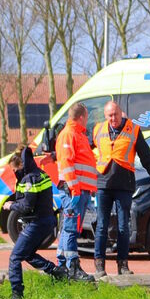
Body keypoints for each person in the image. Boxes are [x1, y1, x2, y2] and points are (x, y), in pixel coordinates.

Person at [92, 98, 150, 278]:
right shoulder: (98, 130)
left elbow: (148, 158)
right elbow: (83, 150)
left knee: (123, 226)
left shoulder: (133, 130)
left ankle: (123, 265)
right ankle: (99, 265)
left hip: (124, 185)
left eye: (116, 115)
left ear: (122, 113)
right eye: (110, 116)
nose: (113, 119)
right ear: (105, 116)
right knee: (101, 225)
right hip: (103, 184)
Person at [2, 142, 68, 299]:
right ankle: (56, 271)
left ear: (21, 165)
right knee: (28, 253)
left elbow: (27, 206)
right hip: (47, 221)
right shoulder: (40, 174)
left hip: (37, 223)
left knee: (15, 257)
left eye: (14, 170)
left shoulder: (29, 179)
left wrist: (11, 205)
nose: (14, 173)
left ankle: (17, 295)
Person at [53, 104, 99, 281]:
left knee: (69, 227)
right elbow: (66, 163)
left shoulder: (77, 135)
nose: (87, 120)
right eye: (86, 117)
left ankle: (63, 266)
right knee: (71, 227)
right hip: (74, 190)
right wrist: (74, 189)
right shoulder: (70, 134)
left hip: (79, 189)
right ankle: (72, 267)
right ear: (81, 117)